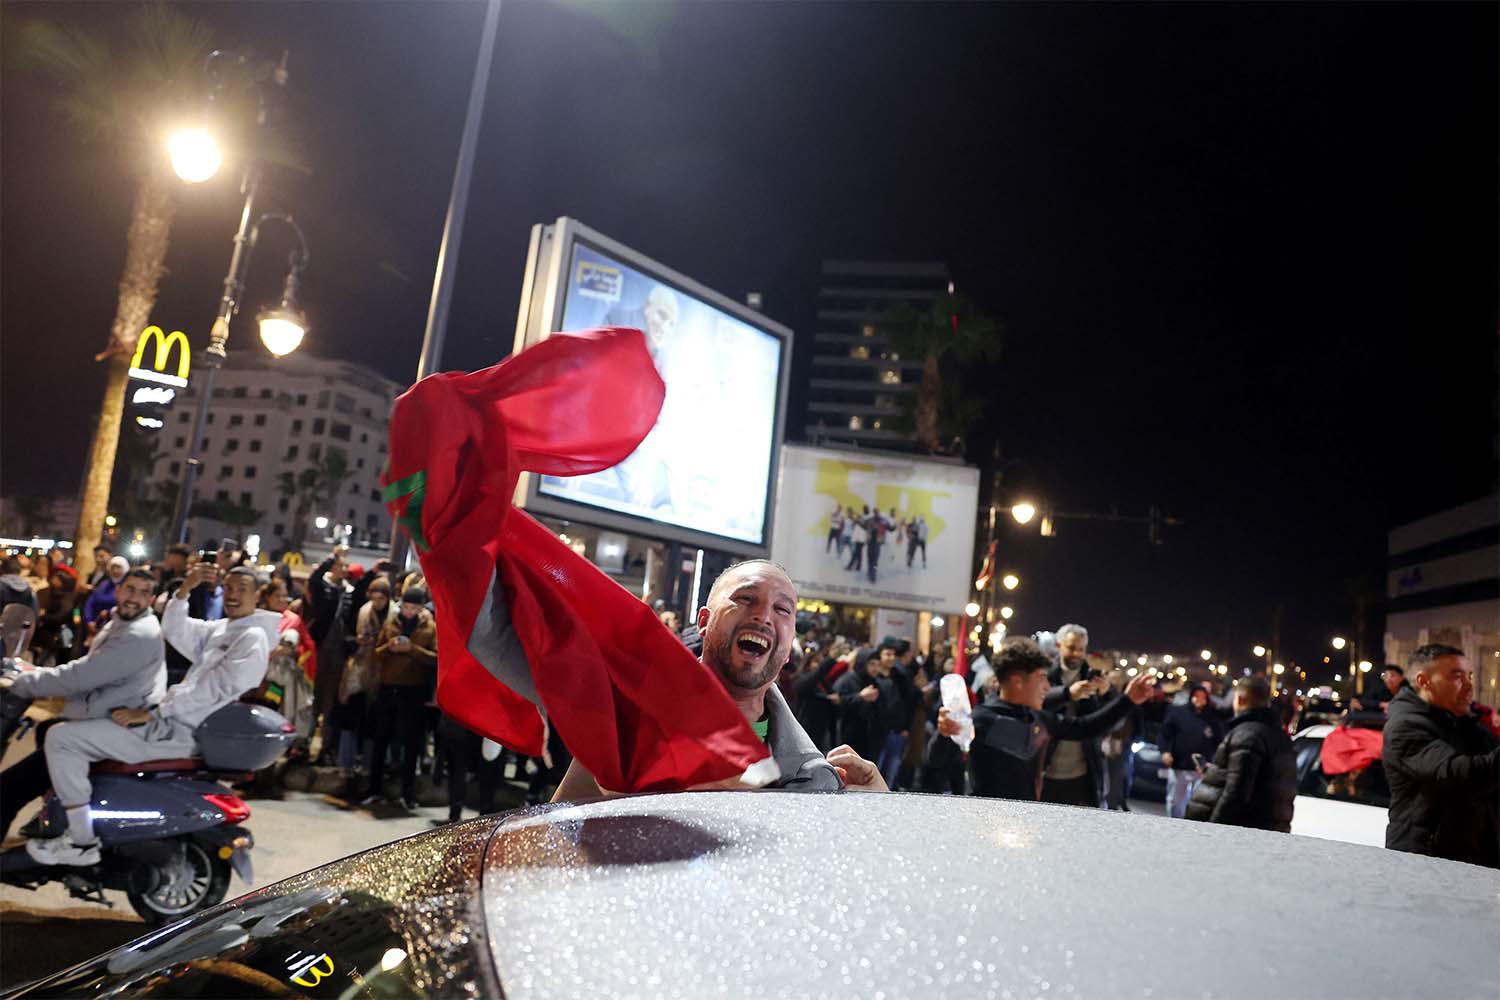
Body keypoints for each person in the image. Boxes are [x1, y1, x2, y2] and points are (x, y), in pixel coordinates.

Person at [551, 560, 883, 799]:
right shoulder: (633, 718)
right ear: (704, 622)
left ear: (787, 651)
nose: (764, 616)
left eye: (782, 610)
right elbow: (557, 839)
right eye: (746, 599)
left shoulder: (816, 781)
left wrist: (879, 807)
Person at [21, 565, 276, 866]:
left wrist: (154, 713)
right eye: (229, 587)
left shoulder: (253, 637)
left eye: (242, 589)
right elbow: (176, 630)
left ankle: (81, 841)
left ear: (258, 594)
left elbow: (213, 690)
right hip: (170, 721)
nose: (233, 594)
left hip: (179, 730)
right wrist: (186, 589)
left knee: (62, 739)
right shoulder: (226, 629)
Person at [0, 569, 165, 839]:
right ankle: (53, 815)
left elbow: (81, 677)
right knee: (47, 730)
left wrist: (21, 682)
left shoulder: (139, 634)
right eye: (130, 589)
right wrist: (28, 671)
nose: (134, 597)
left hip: (106, 723)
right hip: (101, 714)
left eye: (143, 592)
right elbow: (86, 668)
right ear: (118, 589)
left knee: (8, 788)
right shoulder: (121, 622)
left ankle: (76, 838)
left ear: (152, 599)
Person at [937, 636, 1153, 802]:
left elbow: (1085, 727)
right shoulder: (982, 718)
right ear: (1017, 681)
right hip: (983, 823)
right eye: (1041, 678)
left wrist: (1128, 700)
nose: (1047, 687)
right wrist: (945, 733)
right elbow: (936, 759)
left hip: (1024, 824)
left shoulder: (1038, 718)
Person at [1382, 644, 1499, 867]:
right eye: (1457, 677)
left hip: (1473, 861)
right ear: (1424, 681)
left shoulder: (1462, 722)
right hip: (1427, 864)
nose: (1469, 686)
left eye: (1470, 676)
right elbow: (1462, 774)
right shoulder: (1405, 727)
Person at [1185, 676, 1296, 830]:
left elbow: (1237, 792)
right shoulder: (1280, 737)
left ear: (1241, 700)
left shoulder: (1247, 734)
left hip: (1242, 831)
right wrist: (1214, 773)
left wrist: (1213, 830)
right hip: (1267, 827)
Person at [363, 587, 438, 809]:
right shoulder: (391, 622)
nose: (409, 612)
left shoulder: (429, 626)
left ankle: (408, 793)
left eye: (414, 608)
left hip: (413, 691)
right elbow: (376, 653)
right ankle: (374, 789)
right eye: (406, 607)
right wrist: (390, 647)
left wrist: (412, 649)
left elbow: (435, 659)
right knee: (381, 740)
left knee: (412, 744)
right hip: (388, 688)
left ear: (421, 608)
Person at [1040, 623, 1113, 806]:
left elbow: (1110, 723)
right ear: (1059, 645)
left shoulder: (1093, 678)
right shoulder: (1044, 674)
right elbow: (1035, 704)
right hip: (1045, 769)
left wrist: (1105, 696)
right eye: (1071, 648)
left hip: (1083, 772)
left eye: (1081, 649)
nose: (1077, 654)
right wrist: (1067, 694)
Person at [1158, 685, 1225, 818]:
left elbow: (1219, 742)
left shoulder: (1212, 720)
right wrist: (1165, 751)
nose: (1199, 700)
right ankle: (1174, 824)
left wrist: (1213, 762)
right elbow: (1165, 734)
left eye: (1203, 697)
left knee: (1196, 803)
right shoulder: (1178, 713)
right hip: (1179, 765)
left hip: (1201, 769)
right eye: (1196, 696)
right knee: (1175, 801)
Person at [833, 645, 896, 765]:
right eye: (872, 664)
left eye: (878, 665)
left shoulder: (876, 683)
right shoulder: (847, 680)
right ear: (863, 663)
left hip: (871, 741)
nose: (875, 669)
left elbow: (883, 709)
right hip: (850, 738)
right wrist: (860, 697)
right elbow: (837, 703)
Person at [81, 555, 130, 629]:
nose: (115, 571)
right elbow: (90, 602)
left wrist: (109, 612)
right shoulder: (104, 584)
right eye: (113, 567)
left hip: (114, 627)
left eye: (119, 567)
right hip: (94, 624)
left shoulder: (127, 587)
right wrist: (89, 620)